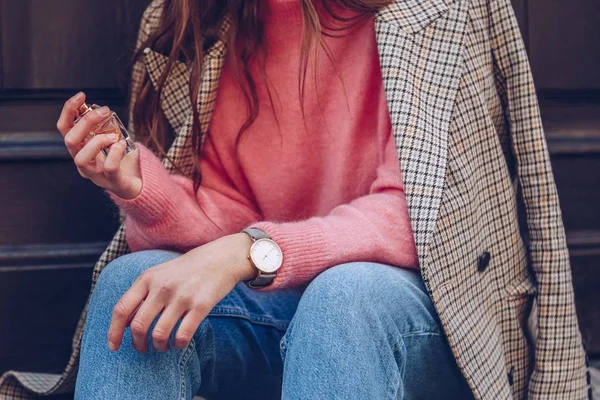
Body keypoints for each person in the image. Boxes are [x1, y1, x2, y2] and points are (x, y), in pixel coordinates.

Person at [42, 0, 588, 399]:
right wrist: (139, 188)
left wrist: (250, 251)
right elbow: (229, 206)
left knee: (344, 295)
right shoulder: (199, 17)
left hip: (413, 312)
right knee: (132, 286)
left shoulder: (438, 10)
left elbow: (419, 212)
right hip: (275, 305)